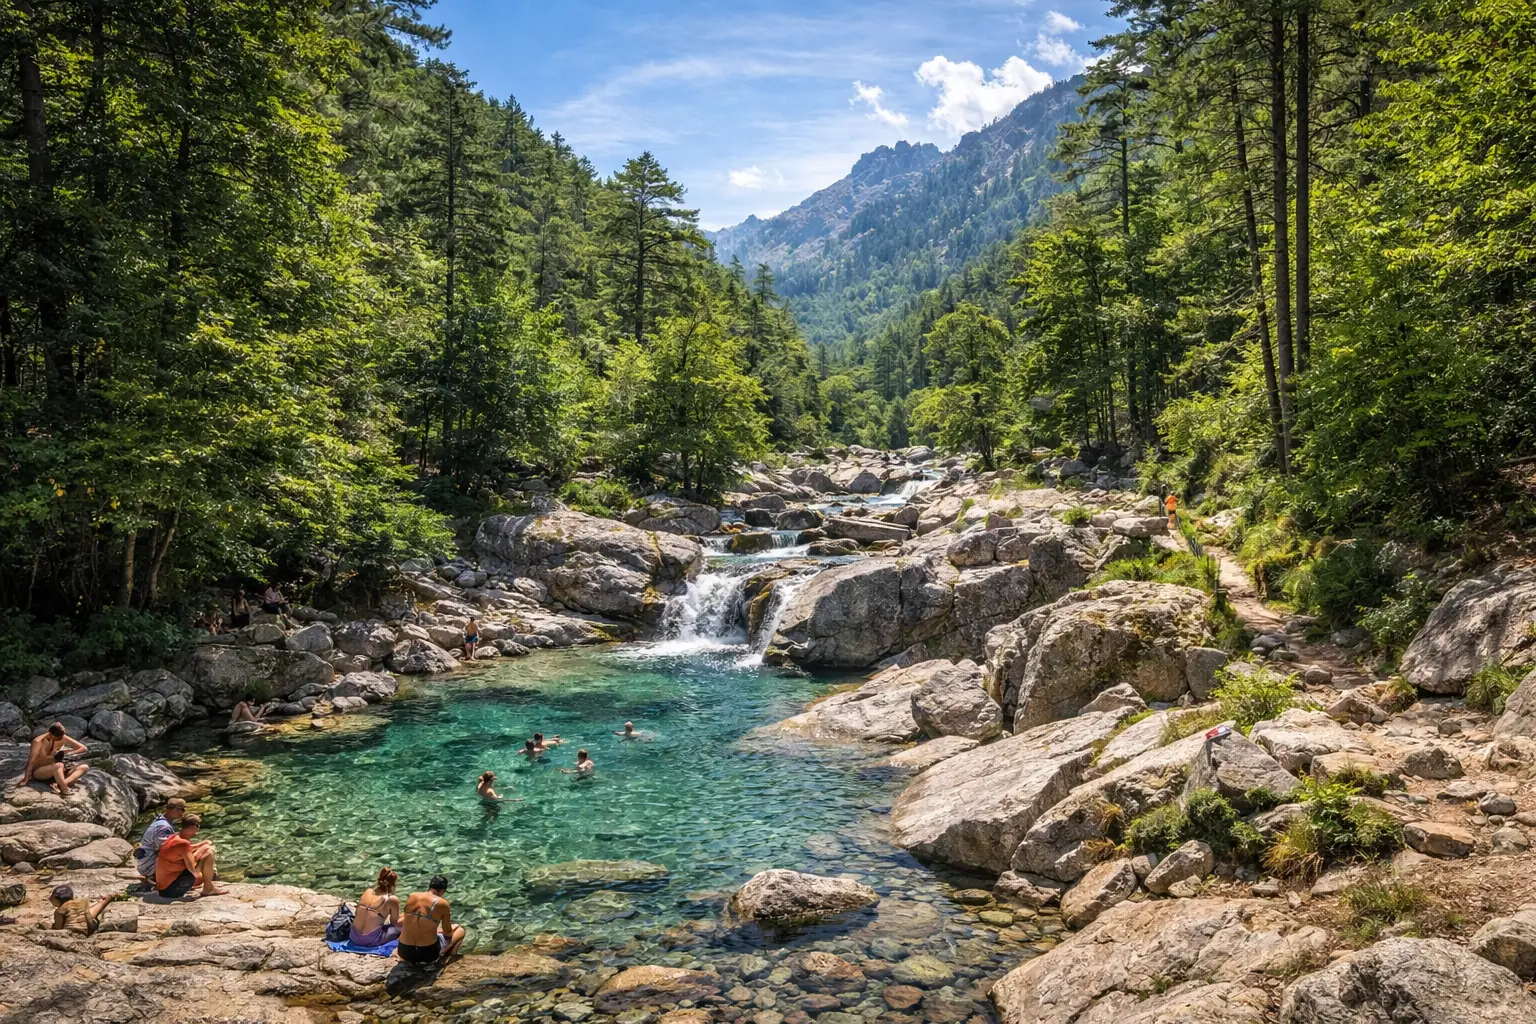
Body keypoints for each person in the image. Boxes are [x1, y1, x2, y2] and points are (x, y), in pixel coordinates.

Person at [154, 814, 227, 899]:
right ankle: (208, 889)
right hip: (172, 890)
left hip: (164, 889)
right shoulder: (183, 844)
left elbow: (186, 851)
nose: (198, 828)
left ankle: (208, 886)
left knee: (205, 849)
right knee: (209, 852)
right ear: (192, 827)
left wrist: (201, 845)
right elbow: (193, 870)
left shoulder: (174, 837)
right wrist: (203, 853)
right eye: (198, 826)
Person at [397, 875, 466, 965]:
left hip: (404, 951)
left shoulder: (412, 896)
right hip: (427, 955)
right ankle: (445, 958)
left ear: (429, 886)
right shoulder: (442, 903)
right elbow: (447, 932)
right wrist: (453, 927)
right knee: (460, 930)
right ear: (443, 891)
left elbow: (402, 920)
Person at [21, 723, 89, 796]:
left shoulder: (62, 737)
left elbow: (83, 748)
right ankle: (64, 789)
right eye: (59, 737)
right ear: (51, 734)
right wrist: (26, 778)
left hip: (57, 771)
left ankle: (61, 783)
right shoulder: (38, 742)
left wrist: (69, 753)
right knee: (59, 765)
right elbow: (31, 761)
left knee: (84, 767)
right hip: (40, 771)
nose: (61, 738)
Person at [134, 797, 187, 883]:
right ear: (175, 810)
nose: (183, 812)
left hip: (145, 863)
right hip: (150, 868)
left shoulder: (160, 819)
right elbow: (166, 850)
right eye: (182, 809)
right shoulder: (164, 827)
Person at [349, 867, 402, 948]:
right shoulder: (392, 899)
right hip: (371, 940)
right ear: (394, 884)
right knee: (398, 928)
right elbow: (394, 923)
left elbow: (357, 913)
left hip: (353, 937)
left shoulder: (368, 891)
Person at [48, 885, 119, 936]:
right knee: (92, 911)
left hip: (70, 934)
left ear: (57, 899)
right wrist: (98, 901)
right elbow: (88, 910)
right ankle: (108, 897)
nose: (50, 898)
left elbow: (58, 929)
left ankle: (107, 898)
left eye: (52, 897)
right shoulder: (83, 902)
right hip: (86, 931)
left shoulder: (60, 911)